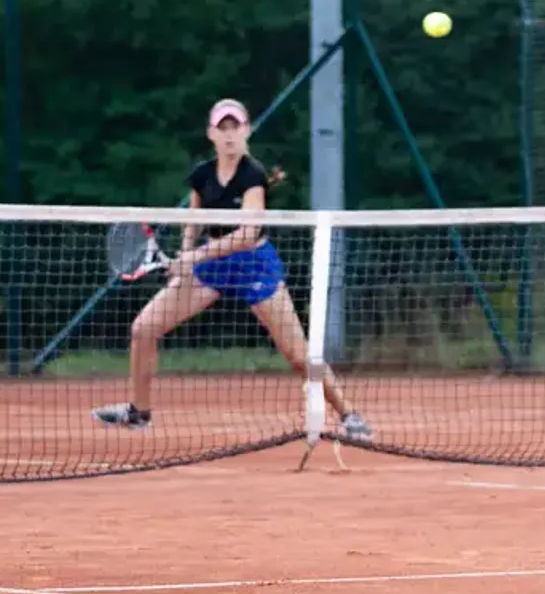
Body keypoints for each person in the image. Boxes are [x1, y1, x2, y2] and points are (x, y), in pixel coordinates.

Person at [92, 98, 372, 442]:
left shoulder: (253, 175)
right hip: (210, 266)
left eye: (235, 127)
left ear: (246, 131)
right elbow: (194, 220)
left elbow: (247, 234)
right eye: (222, 128)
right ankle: (139, 412)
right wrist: (186, 255)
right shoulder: (202, 175)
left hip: (254, 265)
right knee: (143, 329)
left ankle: (350, 414)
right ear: (211, 134)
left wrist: (195, 256)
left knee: (298, 355)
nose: (229, 135)